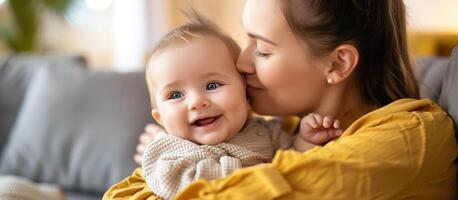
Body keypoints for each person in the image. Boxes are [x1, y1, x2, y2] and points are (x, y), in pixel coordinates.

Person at [105, 0, 458, 199]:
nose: (241, 63)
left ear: (337, 63)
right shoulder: (280, 127)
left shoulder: (406, 140)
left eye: (262, 49)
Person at [137, 13, 342, 200]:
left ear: (245, 92)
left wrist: (305, 140)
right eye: (175, 95)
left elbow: (295, 166)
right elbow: (186, 188)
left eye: (212, 85)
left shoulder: (269, 132)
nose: (197, 102)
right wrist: (262, 170)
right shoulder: (168, 151)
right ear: (160, 118)